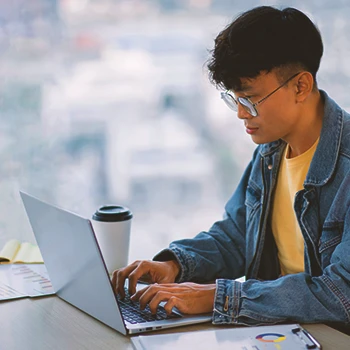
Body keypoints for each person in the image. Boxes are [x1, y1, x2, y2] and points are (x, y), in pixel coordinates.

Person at [112, 6, 350, 331]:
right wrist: (174, 265)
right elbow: (237, 237)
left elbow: (341, 293)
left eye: (250, 99)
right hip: (277, 330)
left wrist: (217, 297)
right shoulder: (271, 152)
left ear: (301, 86)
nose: (240, 113)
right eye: (234, 98)